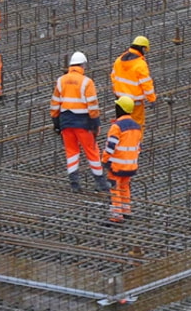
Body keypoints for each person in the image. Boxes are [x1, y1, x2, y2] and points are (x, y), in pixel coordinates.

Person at [50, 51, 111, 193]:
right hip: (83, 123)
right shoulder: (86, 82)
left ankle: (74, 183)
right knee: (92, 151)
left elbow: (54, 103)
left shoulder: (61, 80)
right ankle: (101, 183)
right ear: (83, 65)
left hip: (65, 122)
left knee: (71, 152)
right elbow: (92, 104)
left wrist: (56, 122)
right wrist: (96, 123)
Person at [103, 95, 144, 225]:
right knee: (125, 186)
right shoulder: (137, 127)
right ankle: (126, 210)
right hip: (131, 165)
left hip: (117, 165)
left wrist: (104, 159)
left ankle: (116, 215)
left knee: (115, 188)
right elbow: (138, 146)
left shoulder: (117, 127)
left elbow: (111, 146)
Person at [110, 36, 156, 127]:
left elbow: (113, 77)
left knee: (121, 126)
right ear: (142, 48)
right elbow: (146, 84)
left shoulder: (118, 60)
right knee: (136, 126)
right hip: (135, 104)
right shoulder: (140, 64)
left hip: (120, 101)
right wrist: (152, 99)